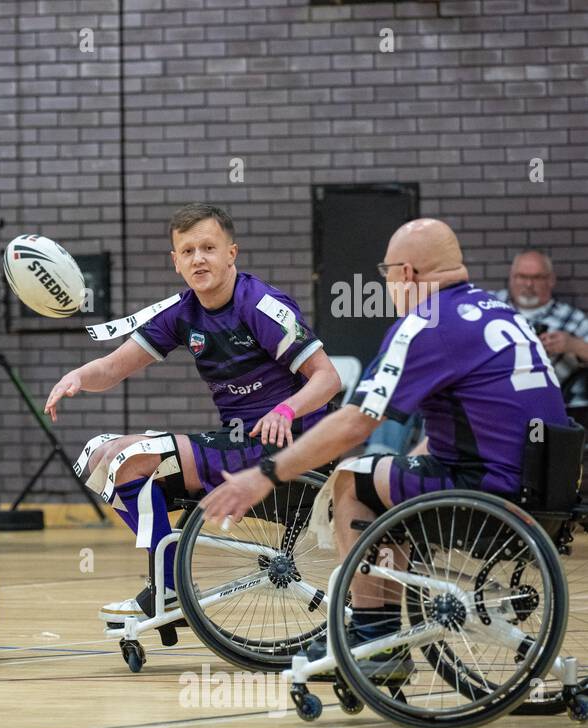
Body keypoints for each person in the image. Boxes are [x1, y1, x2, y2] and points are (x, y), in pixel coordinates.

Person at [200, 218, 571, 677]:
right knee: (387, 475)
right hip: (544, 497)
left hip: (489, 495)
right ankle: (383, 625)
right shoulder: (499, 312)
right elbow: (472, 422)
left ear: (407, 274)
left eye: (387, 274)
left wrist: (265, 475)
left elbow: (356, 421)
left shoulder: (425, 324)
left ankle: (374, 640)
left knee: (352, 478)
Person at [44, 202, 342, 619]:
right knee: (98, 455)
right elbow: (112, 368)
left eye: (208, 248)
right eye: (187, 251)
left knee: (130, 459)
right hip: (238, 441)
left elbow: (328, 379)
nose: (198, 258)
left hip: (293, 444)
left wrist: (286, 411)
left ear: (231, 253)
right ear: (176, 262)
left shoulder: (261, 305)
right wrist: (76, 376)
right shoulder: (182, 312)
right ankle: (168, 584)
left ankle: (168, 589)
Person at [496, 249, 588, 429]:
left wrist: (572, 345)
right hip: (492, 397)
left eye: (537, 277)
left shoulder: (571, 317)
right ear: (511, 278)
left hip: (544, 405)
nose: (529, 284)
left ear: (551, 280)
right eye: (522, 277)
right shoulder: (492, 306)